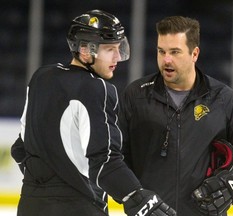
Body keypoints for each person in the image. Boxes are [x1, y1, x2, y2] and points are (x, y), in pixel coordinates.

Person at [10, 10, 176, 216]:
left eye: (118, 48)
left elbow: (19, 148)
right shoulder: (97, 88)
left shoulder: (41, 77)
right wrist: (138, 198)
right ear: (85, 50)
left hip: (29, 206)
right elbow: (104, 161)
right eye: (110, 49)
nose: (117, 57)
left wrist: (45, 186)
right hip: (78, 208)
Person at [118, 16, 233, 216]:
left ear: (194, 54)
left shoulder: (223, 99)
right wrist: (132, 195)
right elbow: (114, 155)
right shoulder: (136, 96)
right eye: (161, 51)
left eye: (175, 52)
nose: (166, 59)